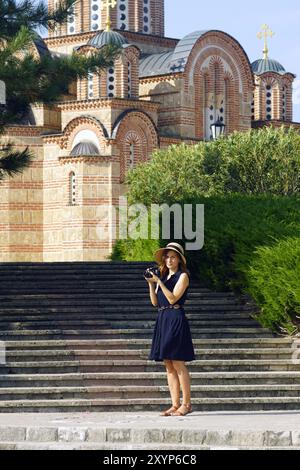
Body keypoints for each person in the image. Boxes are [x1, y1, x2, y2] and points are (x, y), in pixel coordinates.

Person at [144, 242, 196, 416]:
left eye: (173, 257)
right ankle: (175, 404)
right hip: (163, 318)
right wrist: (152, 284)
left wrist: (159, 281)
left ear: (179, 260)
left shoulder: (183, 276)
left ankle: (186, 404)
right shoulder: (163, 277)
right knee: (168, 364)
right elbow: (155, 302)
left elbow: (173, 298)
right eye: (167, 257)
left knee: (178, 362)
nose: (169, 260)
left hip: (175, 318)